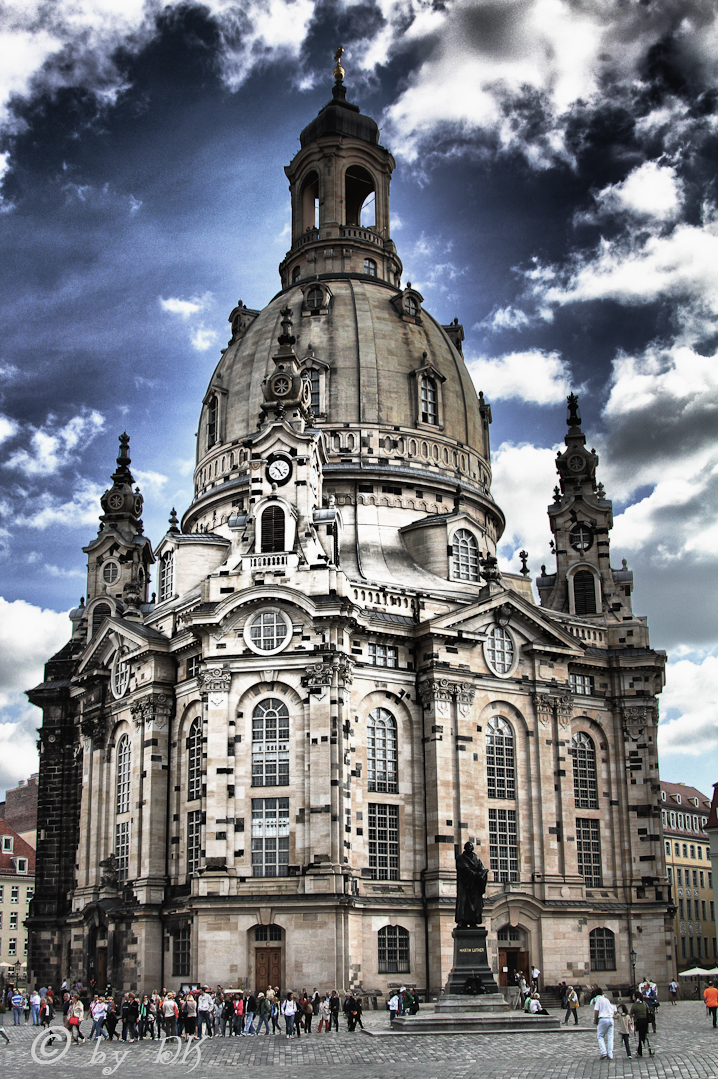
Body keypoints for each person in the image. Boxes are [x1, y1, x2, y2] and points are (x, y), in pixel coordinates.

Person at [593, 985, 615, 1060]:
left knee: (600, 1036)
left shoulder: (599, 999)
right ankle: (610, 1054)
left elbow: (596, 1010)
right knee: (610, 1037)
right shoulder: (607, 999)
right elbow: (613, 1010)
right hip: (610, 1019)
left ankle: (603, 1052)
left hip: (603, 1018)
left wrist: (595, 1019)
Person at [630, 992, 652, 1057]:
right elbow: (648, 1011)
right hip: (645, 1021)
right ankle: (648, 1048)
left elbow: (631, 1015)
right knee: (644, 1035)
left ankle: (640, 1052)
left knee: (640, 1036)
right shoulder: (644, 1004)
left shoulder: (634, 1005)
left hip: (639, 1021)